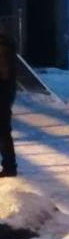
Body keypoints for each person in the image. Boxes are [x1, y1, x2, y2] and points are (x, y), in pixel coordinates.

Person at [0, 25, 15, 177]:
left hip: (2, 97)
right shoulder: (6, 47)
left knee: (3, 133)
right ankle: (9, 166)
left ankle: (9, 167)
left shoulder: (2, 49)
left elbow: (5, 75)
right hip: (5, 96)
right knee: (4, 133)